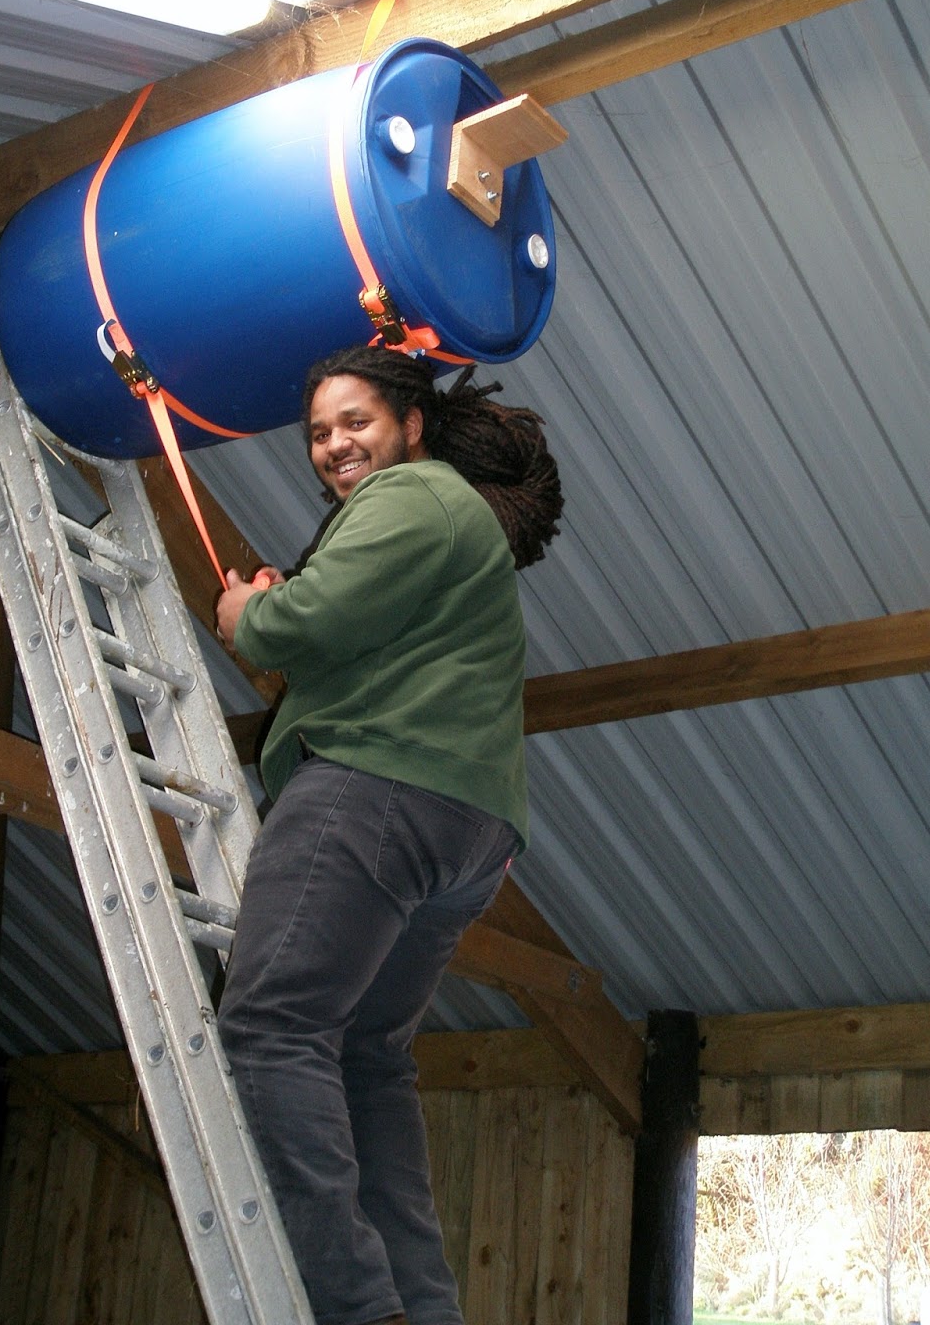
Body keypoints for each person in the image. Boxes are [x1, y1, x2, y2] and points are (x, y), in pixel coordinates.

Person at [213, 343, 561, 1325]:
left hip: (378, 789)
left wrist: (254, 611)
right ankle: (417, 1305)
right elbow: (350, 625)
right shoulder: (446, 522)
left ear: (412, 424)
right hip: (466, 826)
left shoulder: (413, 495)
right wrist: (294, 606)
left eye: (354, 420)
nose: (332, 444)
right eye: (320, 431)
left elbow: (296, 628)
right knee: (366, 1052)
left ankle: (360, 1306)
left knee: (271, 1026)